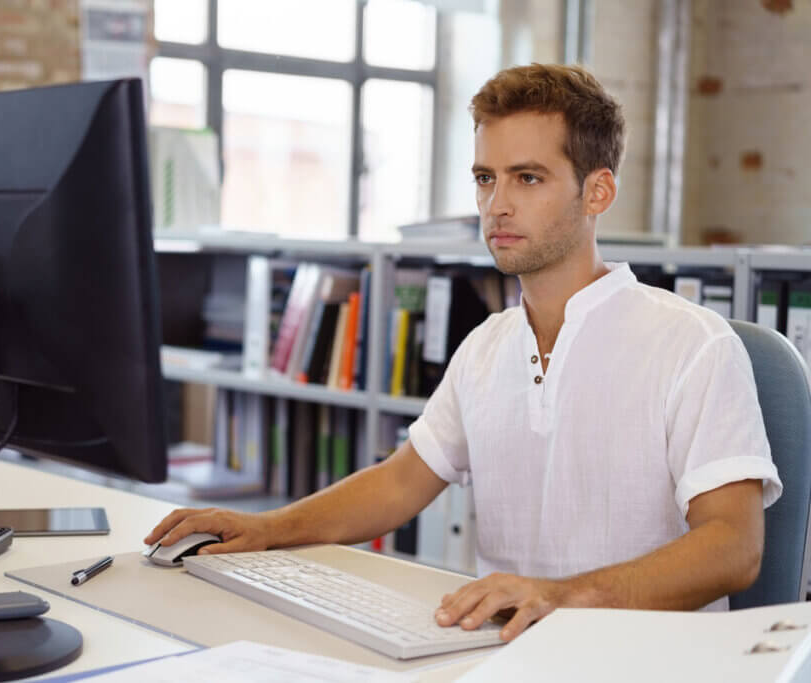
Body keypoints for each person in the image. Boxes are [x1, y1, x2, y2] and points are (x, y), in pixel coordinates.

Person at [145, 63, 782, 642]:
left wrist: (560, 598)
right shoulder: (486, 346)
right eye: (485, 178)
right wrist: (264, 528)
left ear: (598, 193)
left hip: (649, 662)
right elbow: (399, 482)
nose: (496, 205)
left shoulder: (693, 345)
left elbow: (733, 548)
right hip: (503, 654)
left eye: (527, 178)